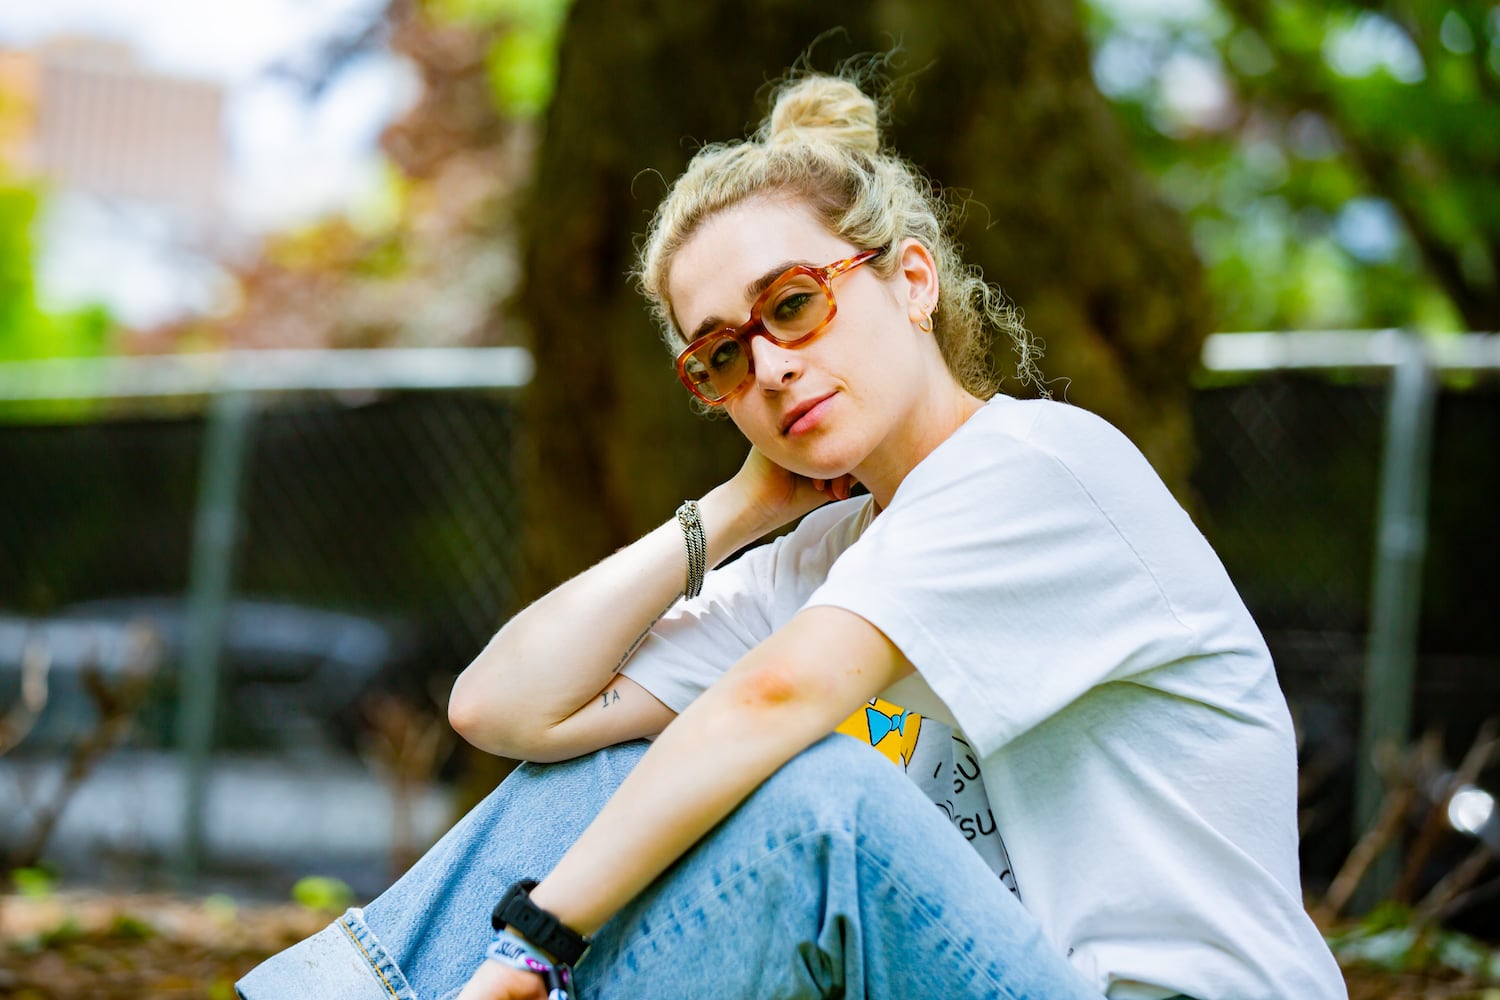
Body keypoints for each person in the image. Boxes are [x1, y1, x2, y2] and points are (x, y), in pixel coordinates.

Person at [237, 71, 1348, 1000]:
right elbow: (507, 709)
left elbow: (773, 705)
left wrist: (534, 942)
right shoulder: (822, 560)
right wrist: (734, 511)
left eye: (794, 304)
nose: (767, 365)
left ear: (911, 280)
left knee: (819, 800)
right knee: (635, 764)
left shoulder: (1040, 470)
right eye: (719, 355)